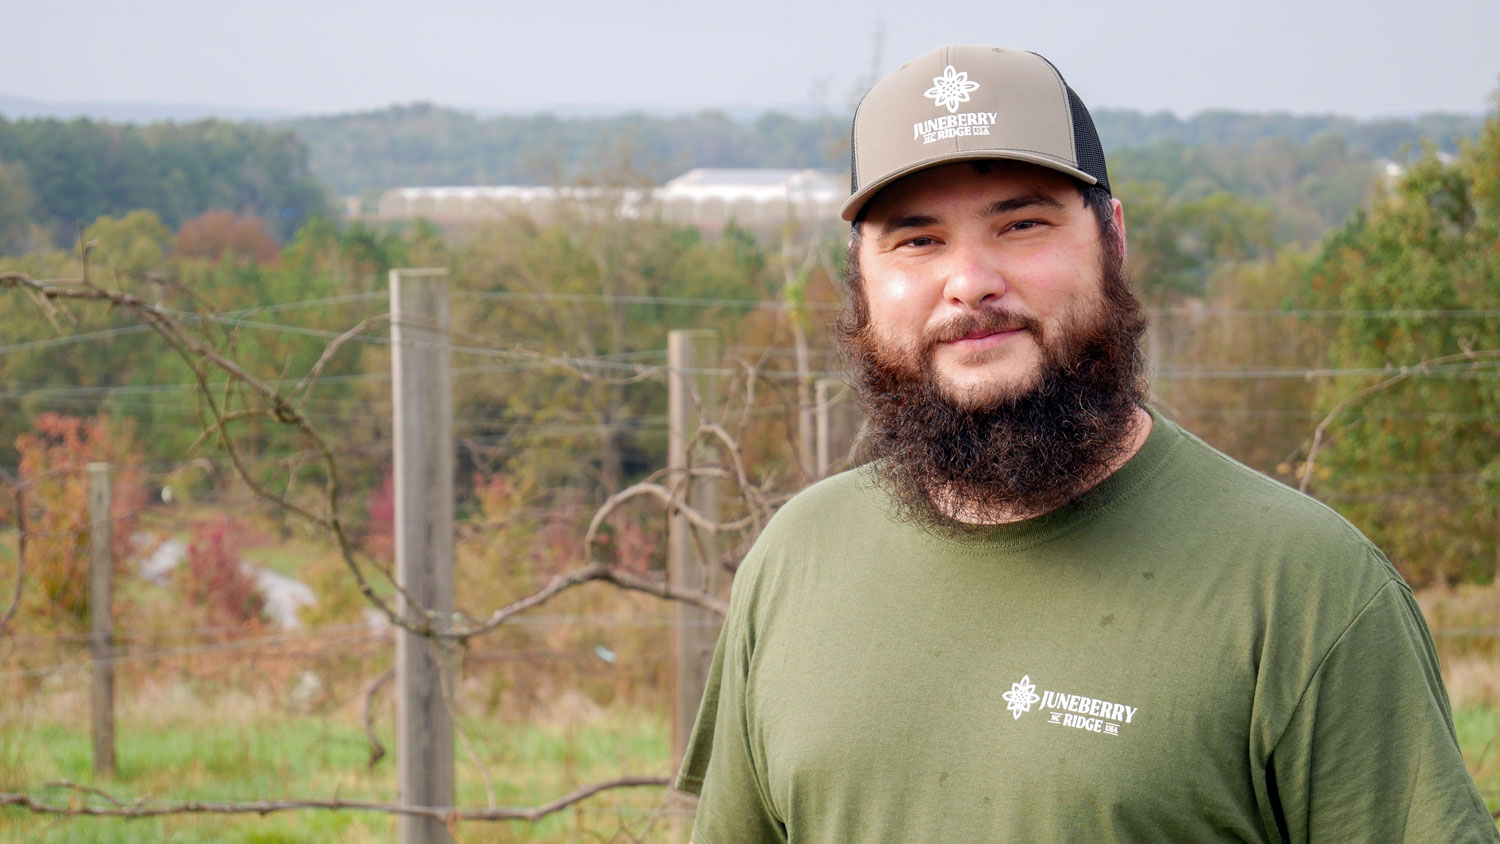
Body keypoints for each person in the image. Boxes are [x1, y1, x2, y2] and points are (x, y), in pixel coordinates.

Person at [674, 43, 1500, 843]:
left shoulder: (1307, 590)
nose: (970, 282)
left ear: (1113, 238)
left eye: (1022, 224)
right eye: (917, 239)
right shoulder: (794, 562)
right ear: (862, 276)